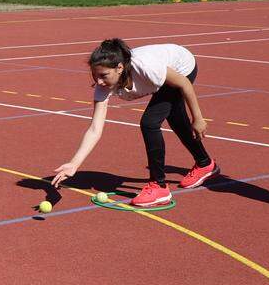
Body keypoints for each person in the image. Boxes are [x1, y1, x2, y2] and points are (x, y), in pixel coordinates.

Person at [52, 39, 219, 207]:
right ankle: (204, 163)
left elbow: (183, 83)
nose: (99, 81)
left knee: (149, 123)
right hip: (164, 71)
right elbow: (95, 129)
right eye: (96, 76)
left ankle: (159, 186)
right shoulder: (103, 86)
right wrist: (74, 163)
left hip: (182, 67)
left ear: (119, 68)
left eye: (103, 76)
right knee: (174, 117)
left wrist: (197, 118)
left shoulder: (146, 67)